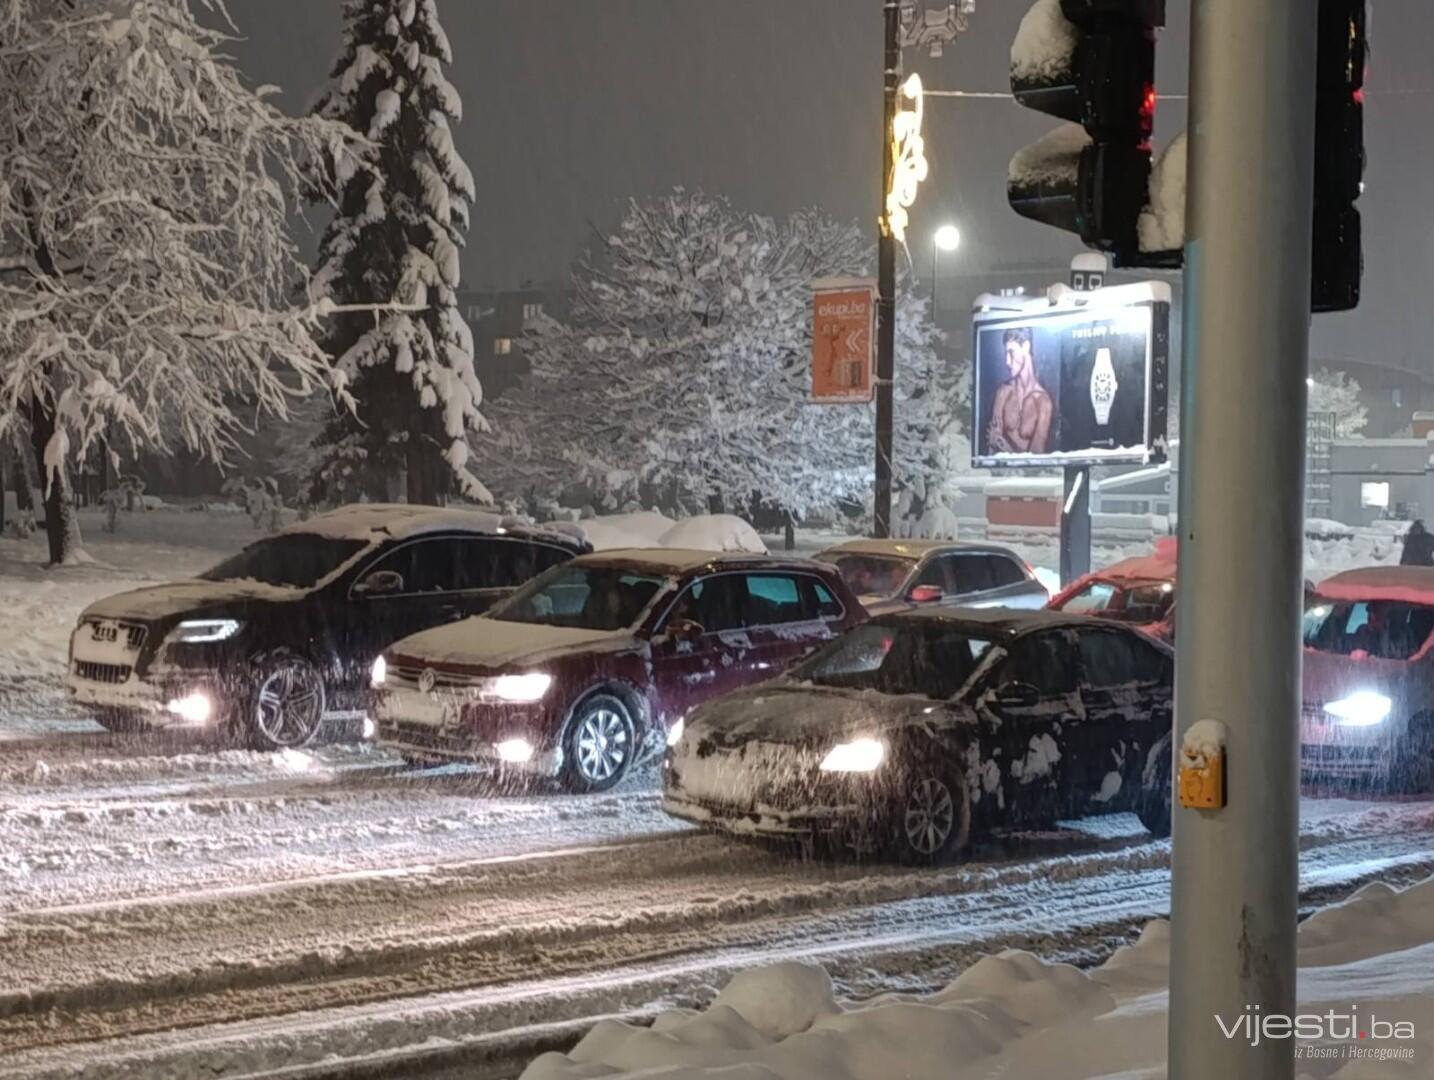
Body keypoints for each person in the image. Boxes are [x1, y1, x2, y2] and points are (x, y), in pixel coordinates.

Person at [987, 327, 1054, 454]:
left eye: (1011, 352)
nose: (1007, 361)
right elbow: (991, 450)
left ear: (1026, 347)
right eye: (1006, 354)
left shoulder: (1042, 402)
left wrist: (1006, 448)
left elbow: (1036, 459)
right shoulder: (1003, 393)